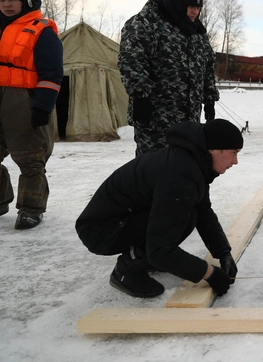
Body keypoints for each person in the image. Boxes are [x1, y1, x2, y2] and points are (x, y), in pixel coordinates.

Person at [75, 119, 242, 298]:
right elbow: (160, 249)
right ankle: (127, 268)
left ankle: (144, 260)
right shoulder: (181, 171)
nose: (235, 161)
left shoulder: (193, 161)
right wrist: (209, 274)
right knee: (181, 220)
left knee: (190, 212)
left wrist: (223, 251)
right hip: (102, 230)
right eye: (233, 153)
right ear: (214, 150)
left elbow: (203, 210)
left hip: (122, 218)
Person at [118, 0, 219, 156]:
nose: (195, 12)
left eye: (198, 7)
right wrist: (141, 96)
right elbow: (131, 60)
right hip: (155, 117)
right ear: (179, 5)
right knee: (153, 168)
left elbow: (208, 66)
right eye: (191, 7)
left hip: (189, 118)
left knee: (185, 166)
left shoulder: (197, 33)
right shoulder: (146, 23)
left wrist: (209, 99)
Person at [0, 0, 63, 229]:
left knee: (30, 157)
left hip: (24, 100)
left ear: (25, 0)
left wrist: (42, 106)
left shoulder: (42, 30)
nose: (6, 4)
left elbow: (52, 73)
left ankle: (30, 209)